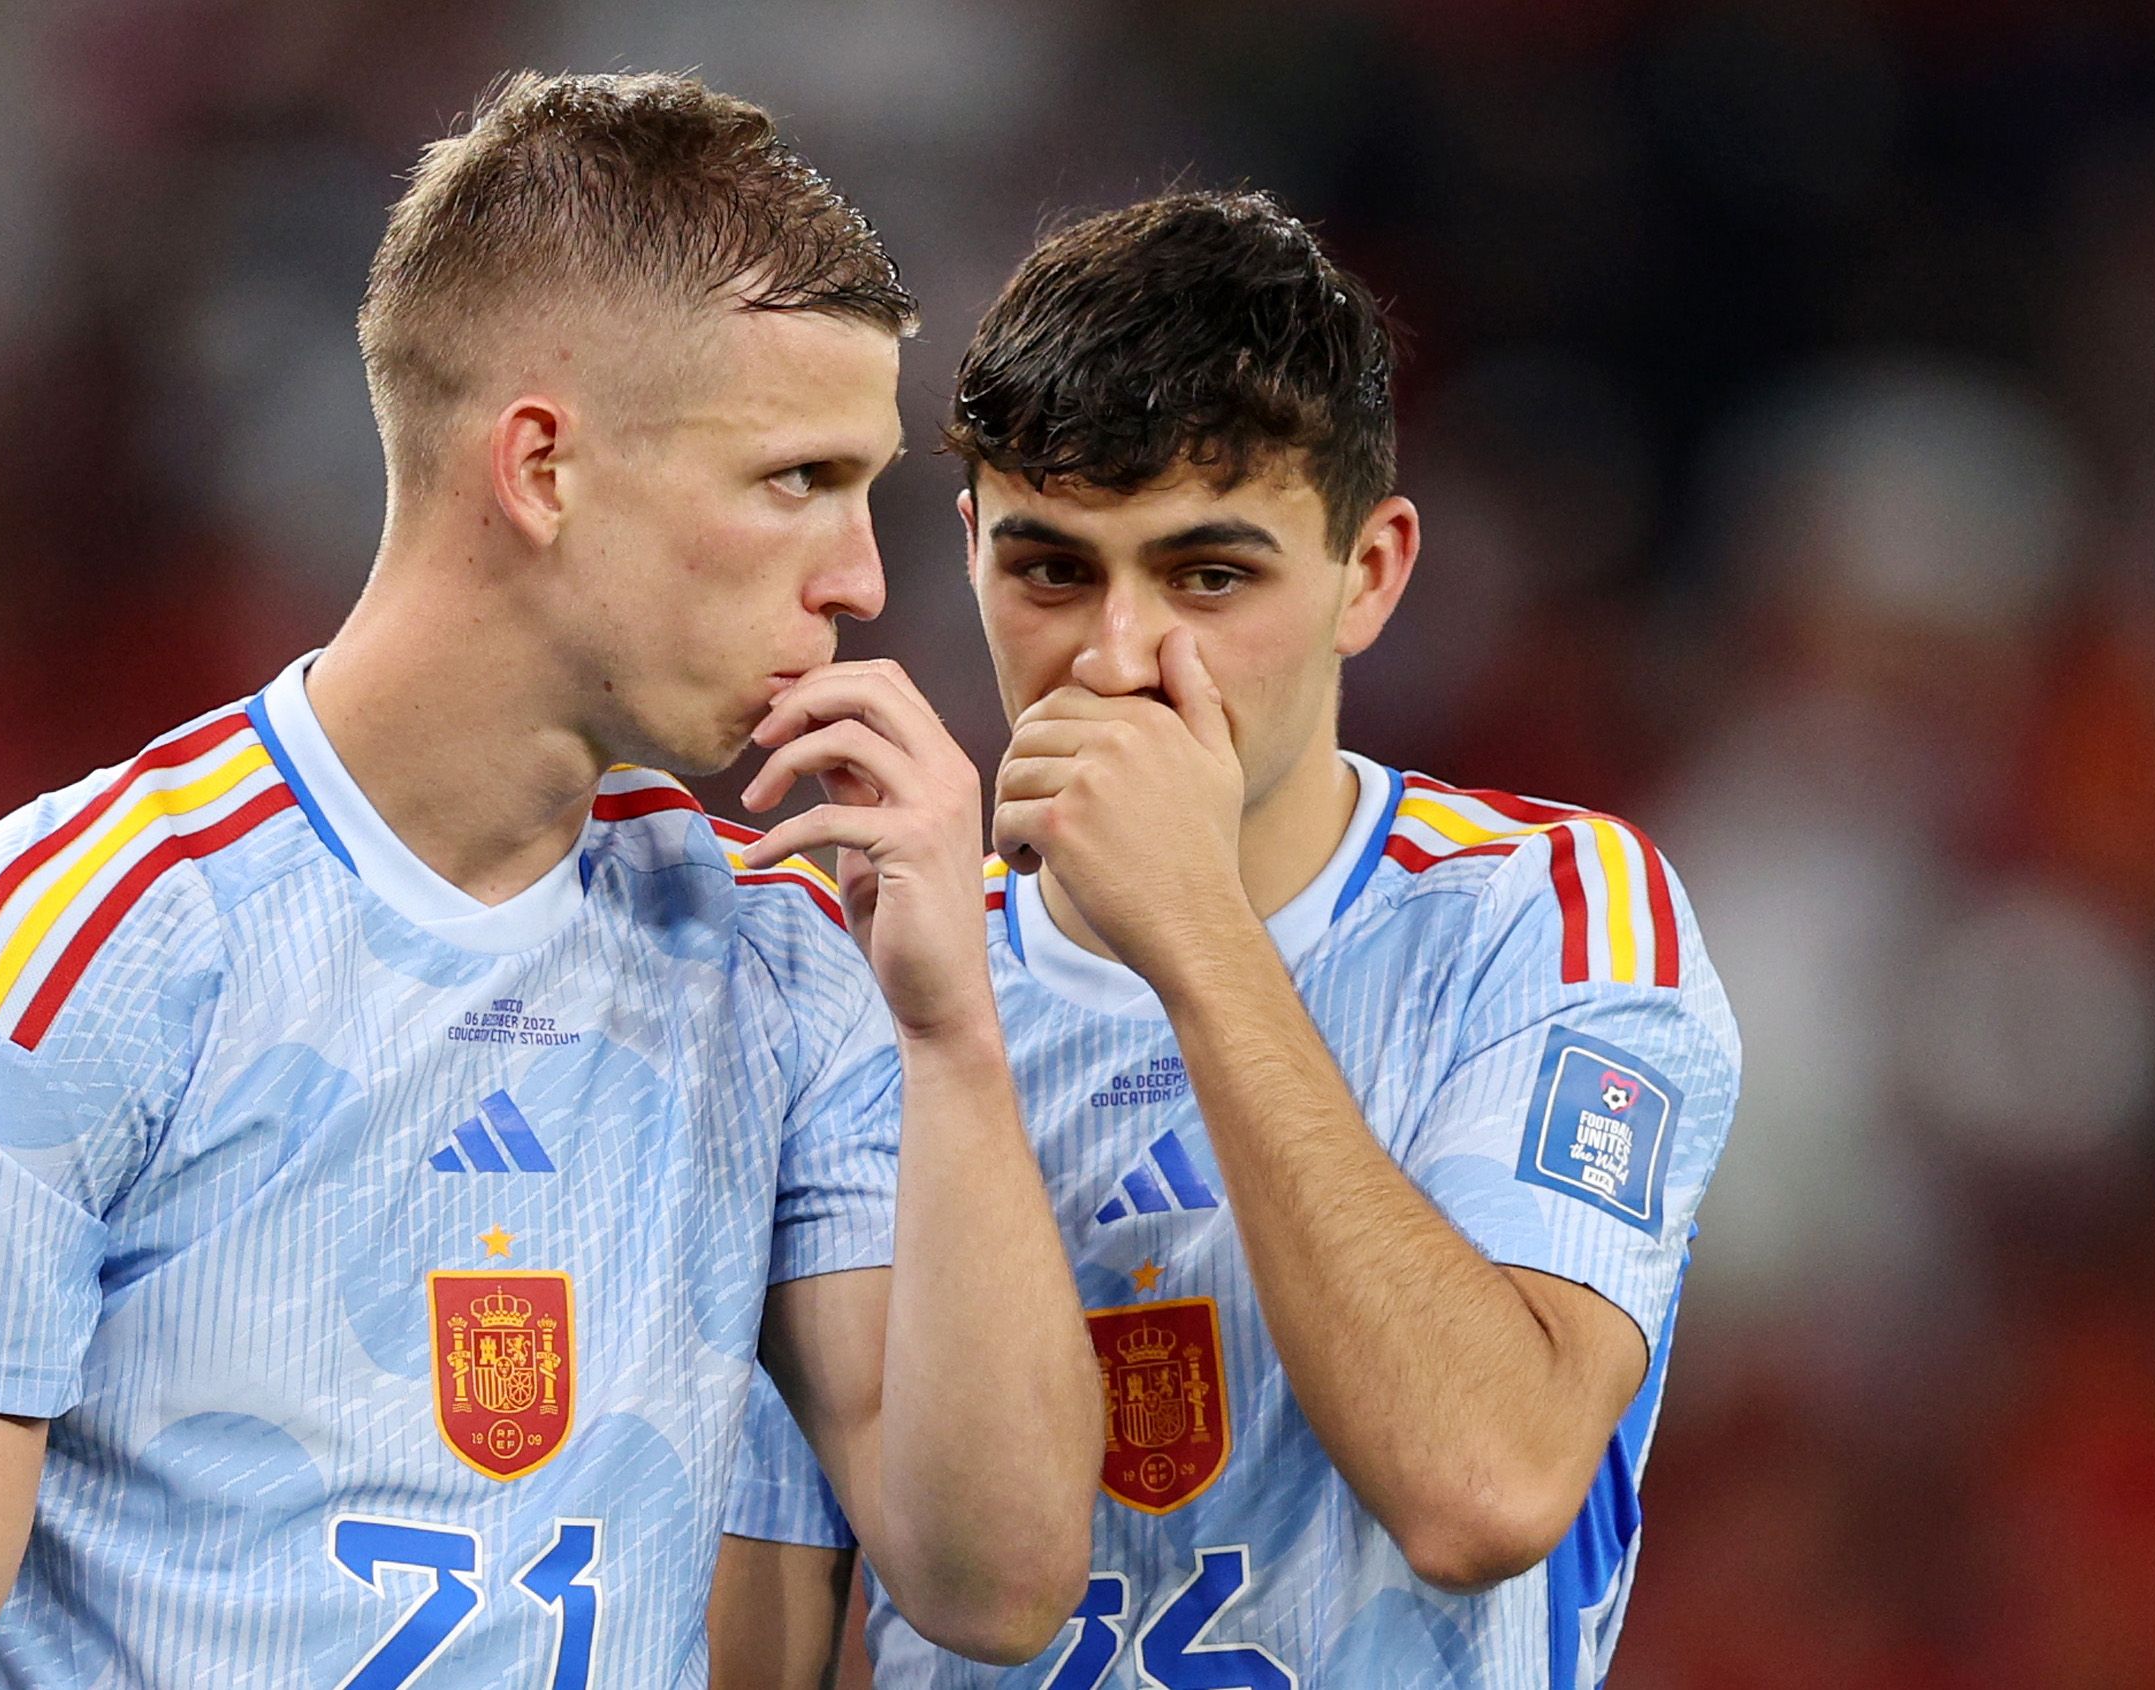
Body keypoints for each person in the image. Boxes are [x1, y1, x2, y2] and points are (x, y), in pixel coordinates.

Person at [0, 71, 1100, 1690]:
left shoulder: (775, 952)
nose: (860, 577)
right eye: (794, 481)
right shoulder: (63, 959)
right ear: (542, 469)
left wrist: (956, 1026)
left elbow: (1003, 1579)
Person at [711, 191, 1741, 1688]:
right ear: (970, 550)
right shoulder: (852, 969)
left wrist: (1192, 924)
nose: (1119, 660)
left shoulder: (1549, 913)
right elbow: (771, 1622)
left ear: (1369, 574)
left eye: (1209, 574)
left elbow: (1488, 1487)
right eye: (1051, 567)